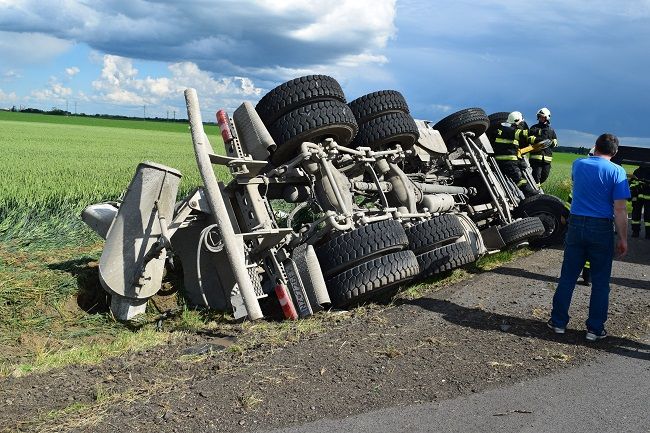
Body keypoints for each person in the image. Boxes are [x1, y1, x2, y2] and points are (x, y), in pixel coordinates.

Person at [548, 133, 630, 341]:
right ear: (615, 152)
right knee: (601, 281)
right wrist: (623, 238)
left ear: (595, 146)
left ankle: (558, 323)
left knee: (568, 276)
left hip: (576, 224)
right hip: (601, 227)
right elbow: (620, 210)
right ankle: (594, 329)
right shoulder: (618, 172)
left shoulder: (578, 164)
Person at [493, 111, 543, 197]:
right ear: (516, 121)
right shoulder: (509, 130)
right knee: (518, 177)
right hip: (506, 159)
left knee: (521, 168)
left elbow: (519, 144)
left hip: (510, 157)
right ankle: (528, 192)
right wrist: (537, 133)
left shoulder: (505, 128)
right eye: (520, 123)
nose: (522, 125)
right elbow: (522, 134)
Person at [528, 107, 558, 186]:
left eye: (543, 117)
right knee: (536, 176)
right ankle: (535, 191)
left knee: (544, 176)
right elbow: (529, 139)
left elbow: (555, 141)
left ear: (547, 118)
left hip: (547, 159)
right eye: (540, 117)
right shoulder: (534, 128)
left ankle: (536, 187)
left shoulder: (551, 130)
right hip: (535, 158)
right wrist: (539, 140)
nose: (541, 118)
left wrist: (552, 143)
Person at [629, 165, 650, 238]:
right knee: (635, 215)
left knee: (648, 216)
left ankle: (648, 233)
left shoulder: (638, 171)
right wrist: (634, 191)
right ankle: (635, 232)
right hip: (637, 197)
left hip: (648, 198)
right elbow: (632, 184)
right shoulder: (637, 171)